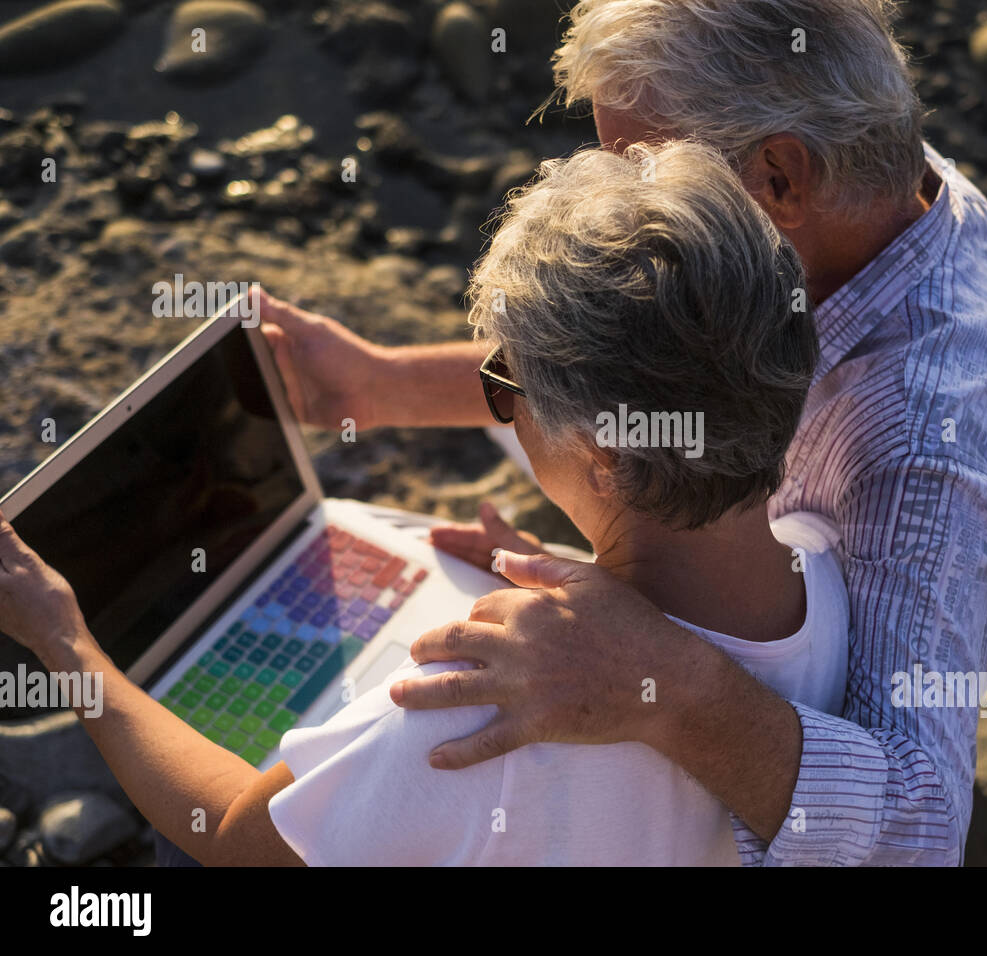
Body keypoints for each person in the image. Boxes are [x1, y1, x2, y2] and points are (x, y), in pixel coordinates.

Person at [255, 0, 987, 865]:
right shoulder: (871, 177)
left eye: (637, 160)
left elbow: (922, 823)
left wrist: (656, 679)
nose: (603, 188)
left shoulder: (916, 446)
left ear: (780, 178)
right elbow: (641, 342)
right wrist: (376, 385)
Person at [0, 141, 849, 865]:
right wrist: (587, 576)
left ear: (601, 456)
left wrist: (70, 644)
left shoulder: (482, 705)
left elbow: (231, 837)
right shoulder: (830, 577)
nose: (499, 401)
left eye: (503, 382)